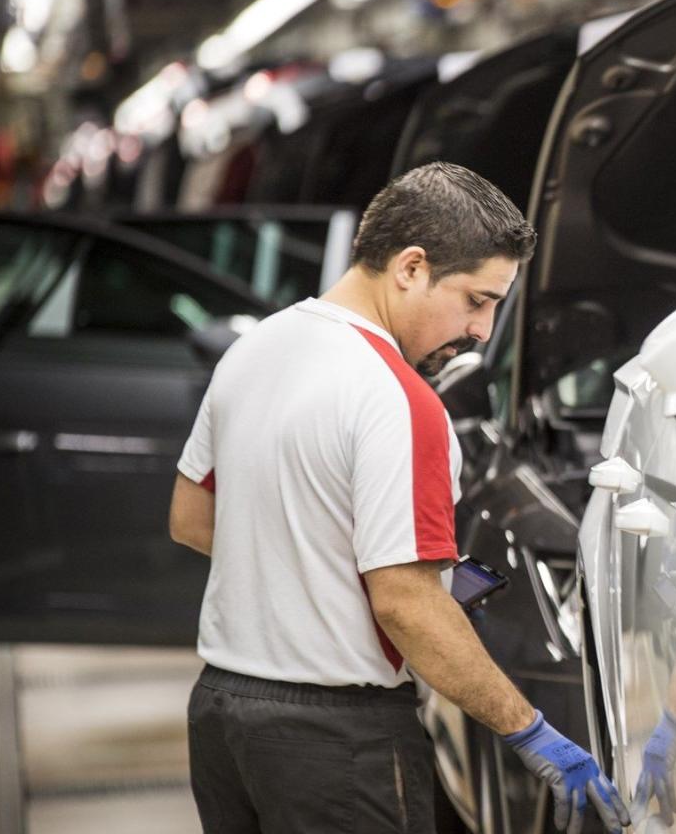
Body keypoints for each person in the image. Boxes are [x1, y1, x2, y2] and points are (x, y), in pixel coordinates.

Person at [168, 162, 629, 834]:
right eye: (477, 300)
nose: (483, 331)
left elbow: (192, 518)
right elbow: (406, 604)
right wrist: (530, 731)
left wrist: (315, 570)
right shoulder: (399, 401)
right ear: (411, 267)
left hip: (222, 719)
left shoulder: (255, 349)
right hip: (335, 742)